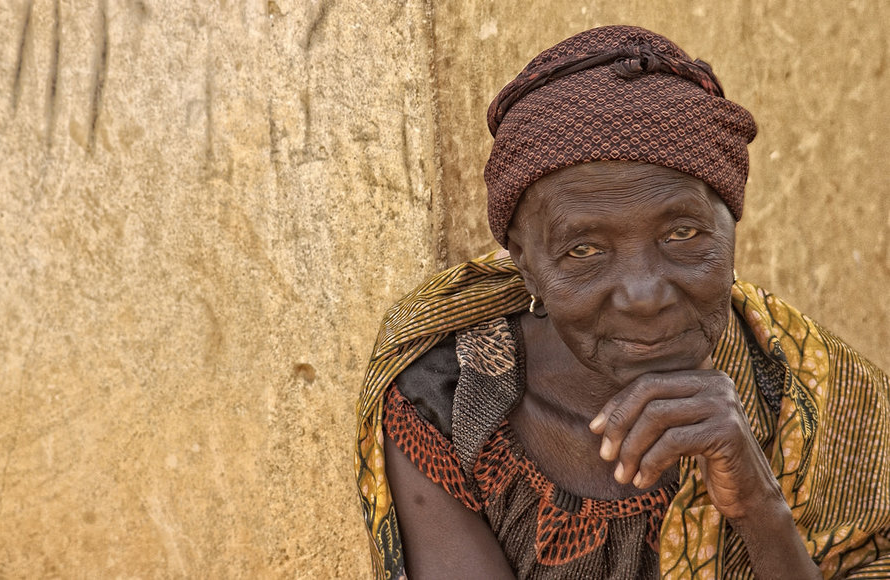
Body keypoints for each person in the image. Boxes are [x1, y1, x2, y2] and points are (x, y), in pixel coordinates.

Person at [355, 26, 890, 579]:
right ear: (526, 264)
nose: (644, 296)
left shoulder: (811, 391)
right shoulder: (449, 400)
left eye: (682, 234)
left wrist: (759, 506)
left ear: (732, 226)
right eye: (584, 250)